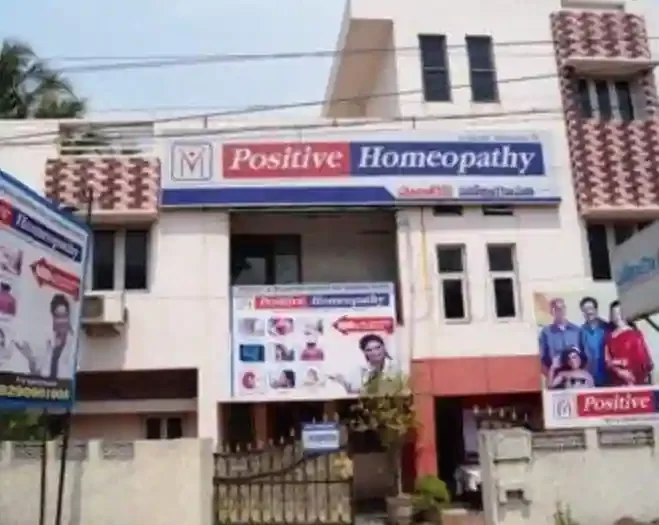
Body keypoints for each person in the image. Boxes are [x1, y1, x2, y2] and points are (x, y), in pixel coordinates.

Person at [14, 294, 72, 379]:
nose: (61, 321)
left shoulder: (74, 345)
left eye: (64, 316)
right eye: (57, 316)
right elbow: (38, 374)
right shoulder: (48, 344)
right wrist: (30, 358)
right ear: (52, 317)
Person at [605, 300, 653, 386]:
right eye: (614, 314)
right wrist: (618, 370)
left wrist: (630, 376)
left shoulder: (635, 334)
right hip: (617, 381)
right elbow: (607, 361)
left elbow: (644, 359)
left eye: (620, 313)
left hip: (635, 380)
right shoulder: (609, 337)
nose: (617, 317)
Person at [328, 334, 397, 394]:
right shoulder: (359, 370)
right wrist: (342, 382)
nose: (375, 352)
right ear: (364, 352)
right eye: (369, 350)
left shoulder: (396, 367)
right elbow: (352, 390)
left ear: (384, 347)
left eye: (378, 347)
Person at [539, 298, 581, 377]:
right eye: (557, 309)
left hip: (576, 377)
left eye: (562, 308)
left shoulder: (577, 330)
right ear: (552, 312)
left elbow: (584, 355)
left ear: (565, 309)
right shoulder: (546, 332)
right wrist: (550, 375)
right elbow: (541, 359)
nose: (560, 311)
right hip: (557, 376)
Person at [578, 296, 609, 387]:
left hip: (609, 378)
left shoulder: (608, 328)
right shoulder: (581, 331)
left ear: (596, 309)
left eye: (590, 308)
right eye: (585, 310)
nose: (588, 312)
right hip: (590, 380)